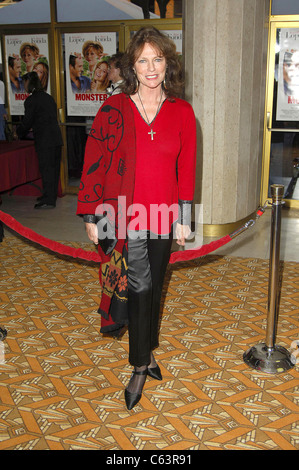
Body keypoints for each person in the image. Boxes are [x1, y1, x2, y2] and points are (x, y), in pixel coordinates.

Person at [77, 27, 197, 410]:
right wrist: (92, 213)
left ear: (167, 64)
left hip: (162, 214)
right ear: (132, 65)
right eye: (143, 60)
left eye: (157, 59)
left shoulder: (182, 111)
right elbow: (94, 162)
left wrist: (184, 215)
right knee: (139, 287)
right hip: (122, 214)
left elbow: (187, 167)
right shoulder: (113, 109)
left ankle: (149, 349)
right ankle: (140, 364)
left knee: (154, 285)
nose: (150, 67)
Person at [16, 72, 63, 209]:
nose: (23, 86)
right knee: (53, 169)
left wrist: (18, 132)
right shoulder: (48, 97)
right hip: (55, 138)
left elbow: (27, 121)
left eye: (24, 82)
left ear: (29, 83)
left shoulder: (31, 100)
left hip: (44, 140)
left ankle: (48, 199)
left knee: (46, 169)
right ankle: (50, 195)